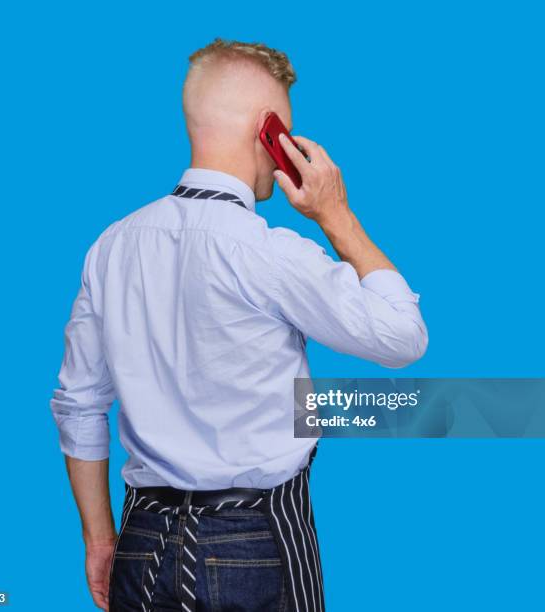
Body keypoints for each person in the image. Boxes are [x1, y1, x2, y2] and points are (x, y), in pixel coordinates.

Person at [50, 38, 428, 612]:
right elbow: (404, 337)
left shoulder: (111, 246)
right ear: (268, 130)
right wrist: (334, 211)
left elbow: (79, 405)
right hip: (254, 540)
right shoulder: (267, 251)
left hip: (140, 541)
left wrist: (101, 540)